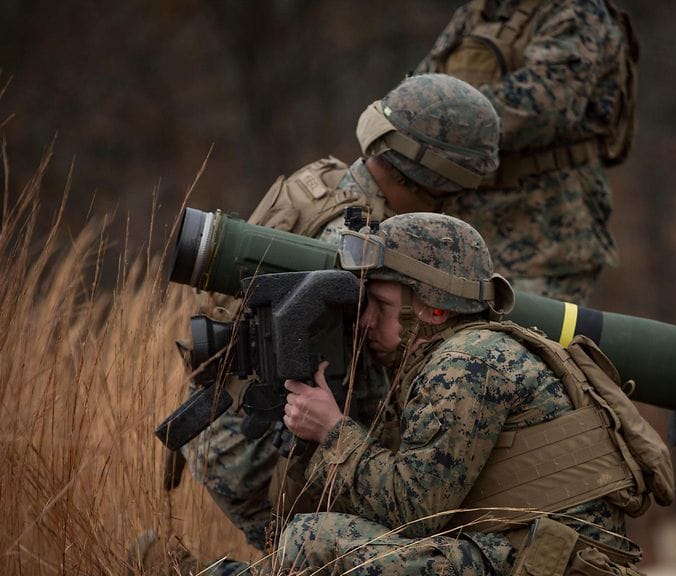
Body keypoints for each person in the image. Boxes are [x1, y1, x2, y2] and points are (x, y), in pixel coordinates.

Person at [133, 73, 503, 570]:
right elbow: (369, 399)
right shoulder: (355, 248)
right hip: (262, 449)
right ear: (436, 176)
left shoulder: (323, 182)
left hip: (228, 426)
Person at [253, 212, 671, 575]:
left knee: (313, 539)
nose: (365, 322)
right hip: (531, 557)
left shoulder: (468, 362)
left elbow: (414, 513)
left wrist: (331, 430)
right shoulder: (458, 355)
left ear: (434, 309)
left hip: (547, 564)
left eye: (380, 303)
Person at [411, 0, 640, 305]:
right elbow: (422, 85)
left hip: (547, 235)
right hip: (465, 229)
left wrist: (440, 116)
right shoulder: (479, 12)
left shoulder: (576, 11)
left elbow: (544, 104)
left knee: (527, 343)